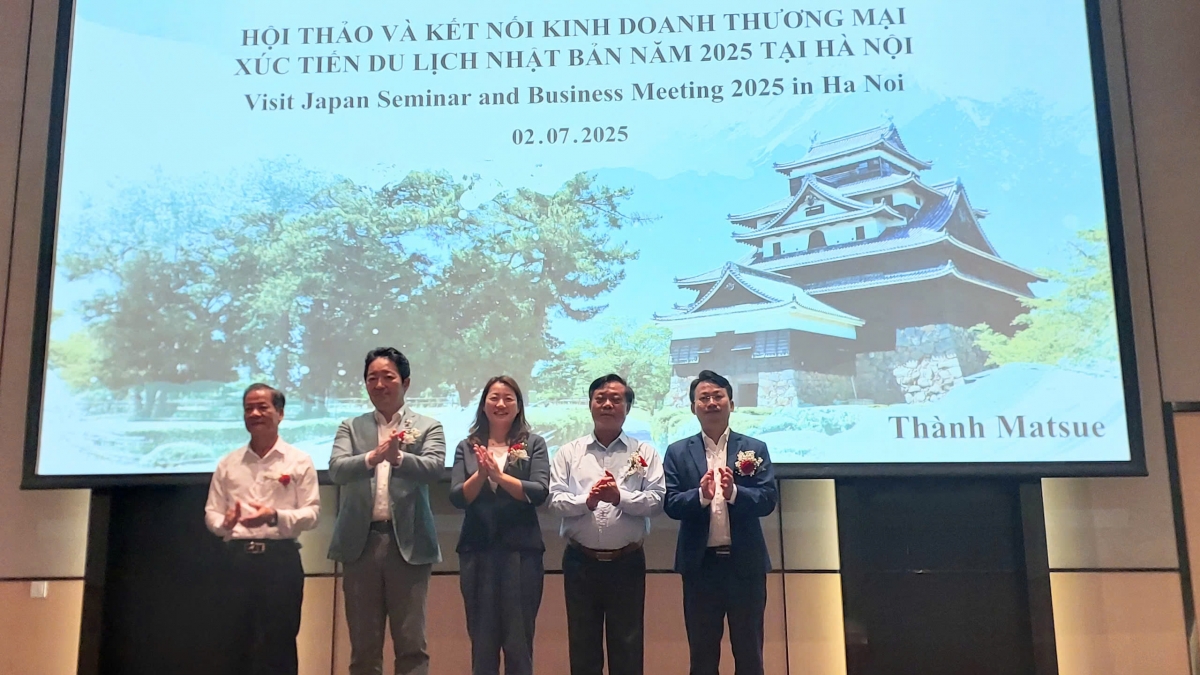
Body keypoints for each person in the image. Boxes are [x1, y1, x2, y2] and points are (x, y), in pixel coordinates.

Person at [327, 347, 446, 675]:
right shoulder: (351, 427)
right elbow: (337, 469)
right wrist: (373, 457)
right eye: (372, 378)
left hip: (408, 545)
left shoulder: (428, 426)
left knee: (411, 645)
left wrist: (398, 457)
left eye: (387, 377)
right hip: (360, 544)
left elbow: (434, 468)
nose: (379, 384)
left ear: (405, 382)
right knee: (363, 648)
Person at [549, 374, 666, 675]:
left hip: (627, 562)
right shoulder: (569, 452)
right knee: (582, 647)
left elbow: (656, 501)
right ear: (590, 404)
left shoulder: (645, 453)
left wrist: (619, 497)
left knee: (628, 647)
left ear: (628, 407)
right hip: (580, 561)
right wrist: (587, 502)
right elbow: (555, 501)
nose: (607, 404)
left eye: (616, 399)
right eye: (600, 398)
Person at [663, 370, 777, 675]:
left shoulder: (754, 448)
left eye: (718, 396)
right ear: (693, 407)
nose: (711, 403)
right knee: (702, 656)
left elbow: (768, 500)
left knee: (750, 654)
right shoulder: (677, 452)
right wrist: (701, 495)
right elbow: (671, 503)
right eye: (704, 398)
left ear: (731, 403)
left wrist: (734, 493)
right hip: (700, 567)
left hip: (745, 566)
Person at [204, 383, 321, 675]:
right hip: (235, 559)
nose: (254, 414)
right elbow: (212, 512)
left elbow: (312, 513)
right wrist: (224, 523)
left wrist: (274, 516)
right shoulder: (228, 463)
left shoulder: (299, 460)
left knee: (280, 642)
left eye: (262, 407)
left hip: (280, 560)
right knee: (232, 641)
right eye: (248, 409)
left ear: (280, 413)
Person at [449, 376, 550, 675]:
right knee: (482, 645)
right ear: (483, 405)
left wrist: (499, 476)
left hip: (522, 554)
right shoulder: (468, 446)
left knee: (519, 644)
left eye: (508, 398)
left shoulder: (533, 444)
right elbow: (458, 497)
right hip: (477, 552)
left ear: (518, 406)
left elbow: (538, 492)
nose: (501, 404)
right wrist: (481, 475)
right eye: (494, 397)